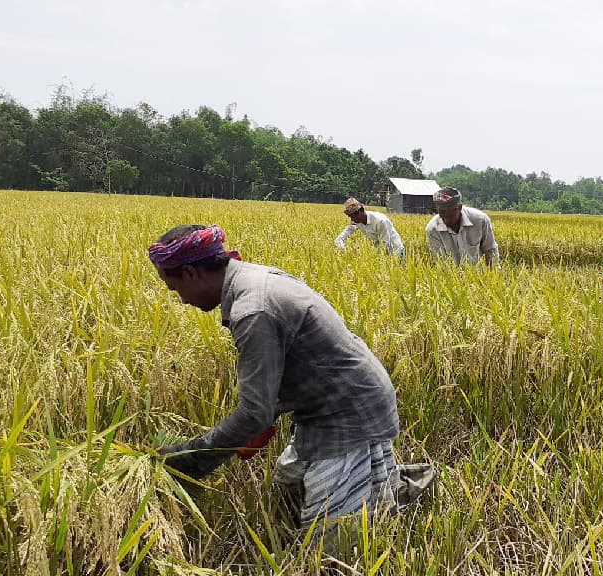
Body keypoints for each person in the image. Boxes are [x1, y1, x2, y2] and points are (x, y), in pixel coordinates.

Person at [148, 224, 433, 529]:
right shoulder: (252, 277)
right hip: (329, 402)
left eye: (174, 288)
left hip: (348, 413)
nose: (180, 298)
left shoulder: (252, 310)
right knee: (290, 486)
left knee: (332, 539)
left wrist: (187, 458)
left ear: (191, 273)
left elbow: (254, 413)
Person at [425, 187, 499, 267]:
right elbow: (441, 264)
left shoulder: (480, 220)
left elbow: (490, 250)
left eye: (450, 216)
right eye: (442, 214)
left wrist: (495, 275)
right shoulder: (433, 230)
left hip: (479, 277)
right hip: (451, 277)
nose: (446, 220)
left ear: (459, 208)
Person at [334, 197, 405, 259]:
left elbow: (386, 244)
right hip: (381, 253)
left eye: (353, 216)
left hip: (396, 250)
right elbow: (339, 239)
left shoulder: (380, 221)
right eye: (350, 217)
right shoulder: (356, 222)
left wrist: (372, 256)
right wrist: (346, 252)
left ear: (361, 211)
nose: (352, 219)